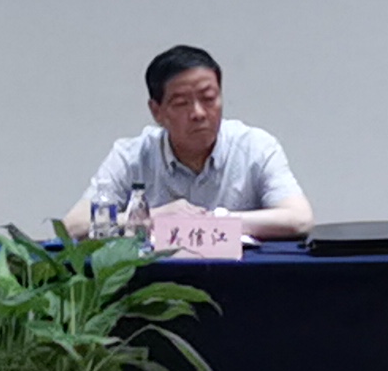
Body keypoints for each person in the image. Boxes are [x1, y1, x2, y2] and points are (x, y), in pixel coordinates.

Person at [64, 47, 312, 242]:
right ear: (157, 111)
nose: (198, 113)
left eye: (208, 98)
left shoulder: (255, 147)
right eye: (182, 103)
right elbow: (73, 225)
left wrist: (215, 221)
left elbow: (299, 219)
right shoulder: (131, 156)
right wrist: (152, 218)